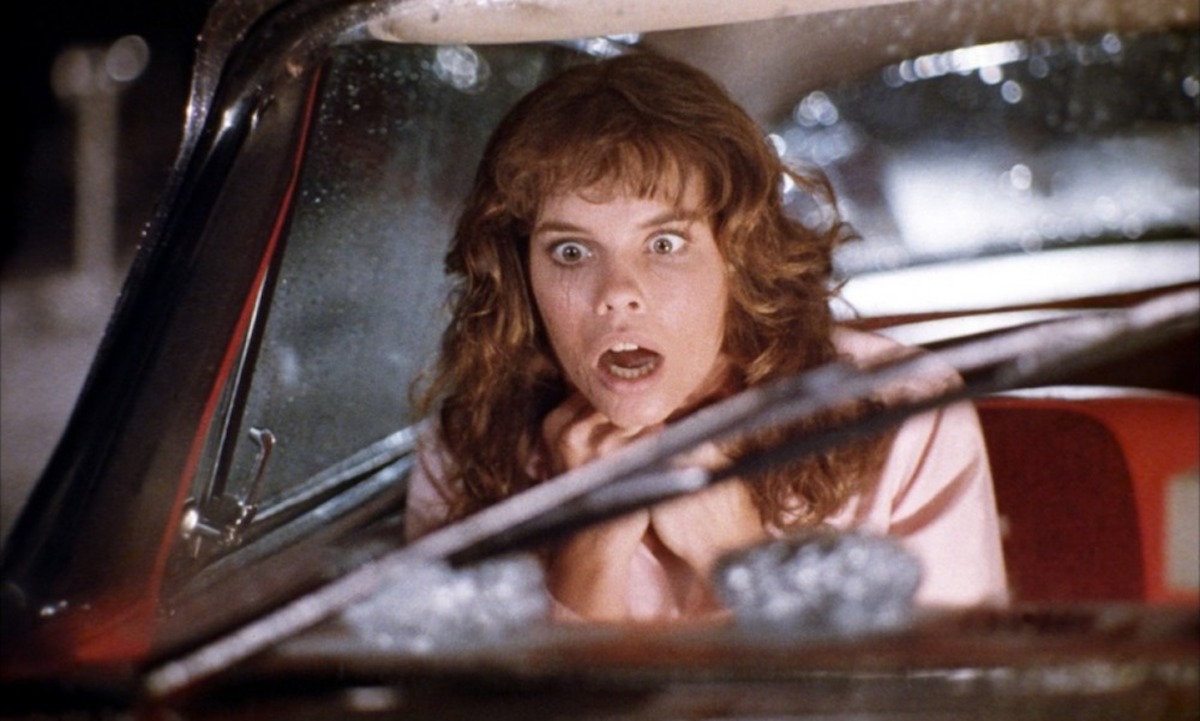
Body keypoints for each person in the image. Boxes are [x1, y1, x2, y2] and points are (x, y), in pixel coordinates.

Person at [406, 51, 1008, 622]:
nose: (618, 292)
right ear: (522, 274)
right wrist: (587, 550)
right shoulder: (467, 447)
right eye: (571, 251)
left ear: (735, 256)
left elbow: (947, 680)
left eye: (664, 243)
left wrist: (738, 557)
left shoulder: (903, 413)